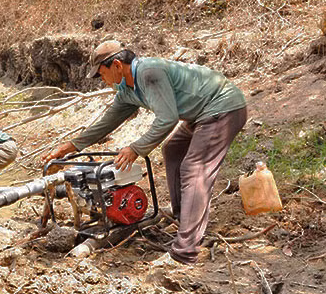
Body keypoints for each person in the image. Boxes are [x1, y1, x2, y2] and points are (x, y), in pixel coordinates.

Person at [42, 40, 247, 265]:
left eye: (102, 74)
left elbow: (167, 119)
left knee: (194, 169)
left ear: (117, 65)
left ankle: (185, 251)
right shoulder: (127, 88)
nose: (103, 81)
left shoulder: (149, 73)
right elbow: (108, 121)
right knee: (173, 149)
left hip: (222, 107)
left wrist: (136, 148)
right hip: (199, 113)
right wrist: (72, 146)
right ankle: (183, 216)